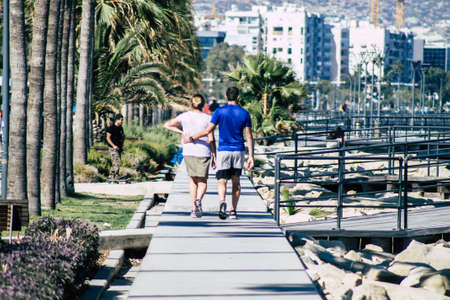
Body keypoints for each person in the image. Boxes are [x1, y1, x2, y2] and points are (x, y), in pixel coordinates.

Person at [187, 87, 254, 220]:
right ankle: (233, 211)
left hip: (223, 151)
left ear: (227, 96)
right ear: (238, 97)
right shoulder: (244, 113)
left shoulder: (219, 111)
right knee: (236, 182)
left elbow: (208, 130)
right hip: (238, 151)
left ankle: (222, 201)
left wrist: (193, 137)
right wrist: (251, 156)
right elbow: (249, 136)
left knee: (221, 181)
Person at [164, 94, 216, 218]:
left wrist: (182, 133)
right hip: (203, 152)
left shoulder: (184, 116)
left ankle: (193, 209)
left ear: (191, 104)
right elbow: (211, 138)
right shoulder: (208, 118)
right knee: (202, 181)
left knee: (193, 180)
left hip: (188, 152)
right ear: (203, 105)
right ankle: (198, 200)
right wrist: (215, 155)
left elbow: (167, 125)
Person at [106, 114, 125, 181]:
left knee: (116, 161)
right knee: (116, 161)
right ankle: (116, 175)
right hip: (112, 147)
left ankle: (111, 176)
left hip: (119, 147)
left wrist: (122, 146)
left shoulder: (120, 128)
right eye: (121, 120)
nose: (122, 121)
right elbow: (108, 138)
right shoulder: (111, 127)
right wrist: (113, 146)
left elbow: (122, 137)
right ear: (117, 120)